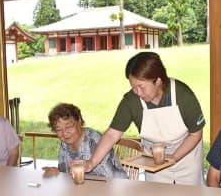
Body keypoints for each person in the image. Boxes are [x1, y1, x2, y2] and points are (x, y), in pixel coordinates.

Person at [85, 51, 205, 185]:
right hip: (154, 159)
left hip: (186, 157)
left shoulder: (183, 95)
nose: (137, 92)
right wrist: (92, 162)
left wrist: (174, 157)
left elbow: (196, 133)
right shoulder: (131, 101)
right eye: (133, 87)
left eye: (141, 87)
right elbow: (112, 134)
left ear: (158, 81)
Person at [42, 103, 127, 179]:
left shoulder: (94, 141)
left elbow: (107, 179)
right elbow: (68, 174)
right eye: (59, 130)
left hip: (115, 187)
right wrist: (58, 173)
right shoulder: (65, 143)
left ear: (79, 121)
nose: (64, 133)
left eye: (69, 127)